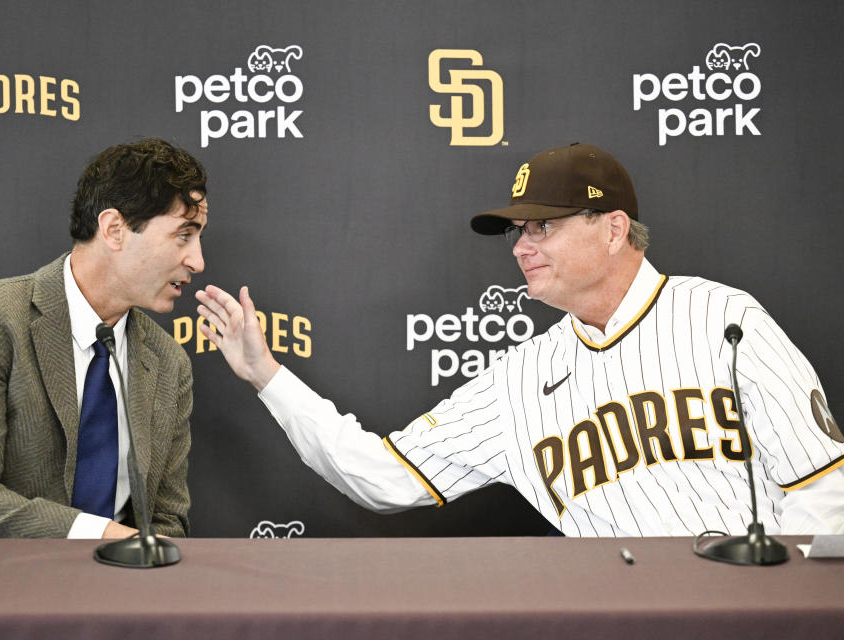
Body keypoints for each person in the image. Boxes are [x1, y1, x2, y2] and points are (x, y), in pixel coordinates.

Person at [197, 142, 844, 536]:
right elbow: (384, 477)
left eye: (543, 227)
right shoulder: (520, 379)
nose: (522, 247)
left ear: (614, 228)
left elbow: (824, 491)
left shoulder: (724, 320)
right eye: (517, 232)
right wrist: (267, 376)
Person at [0, 137, 207, 539]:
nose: (198, 261)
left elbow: (166, 522)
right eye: (183, 235)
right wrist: (103, 536)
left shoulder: (168, 362)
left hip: (113, 589)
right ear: (115, 229)